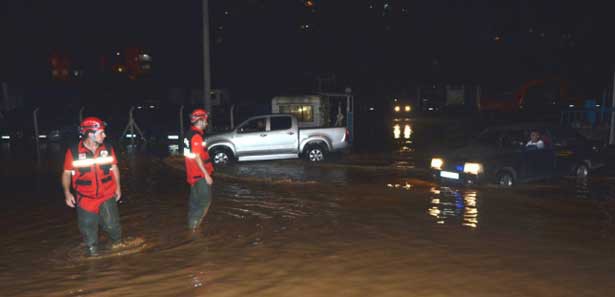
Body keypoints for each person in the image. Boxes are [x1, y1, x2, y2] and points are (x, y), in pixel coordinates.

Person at [62, 117, 122, 256]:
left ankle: (119, 255)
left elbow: (114, 168)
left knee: (113, 227)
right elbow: (66, 173)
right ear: (90, 133)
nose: (104, 135)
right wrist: (67, 193)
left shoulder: (107, 148)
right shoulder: (73, 152)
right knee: (89, 237)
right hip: (85, 198)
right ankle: (94, 266)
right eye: (101, 132)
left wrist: (118, 187)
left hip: (107, 194)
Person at [183, 108, 214, 231]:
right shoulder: (196, 136)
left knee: (194, 202)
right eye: (205, 120)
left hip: (192, 174)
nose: (206, 123)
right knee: (205, 201)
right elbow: (197, 156)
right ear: (200, 120)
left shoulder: (190, 133)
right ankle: (194, 229)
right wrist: (206, 175)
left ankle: (191, 226)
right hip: (199, 175)